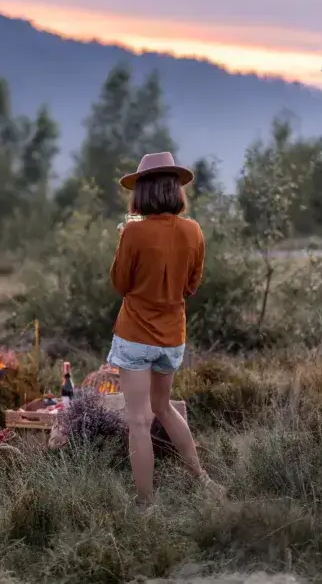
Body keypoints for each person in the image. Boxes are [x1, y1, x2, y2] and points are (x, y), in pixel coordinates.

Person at [107, 151, 223, 508]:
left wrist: (124, 240)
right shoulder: (194, 231)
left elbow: (120, 284)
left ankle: (145, 504)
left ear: (142, 193)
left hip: (135, 336)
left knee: (139, 421)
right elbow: (192, 286)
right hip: (172, 338)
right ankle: (202, 479)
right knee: (165, 407)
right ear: (175, 190)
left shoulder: (133, 233)